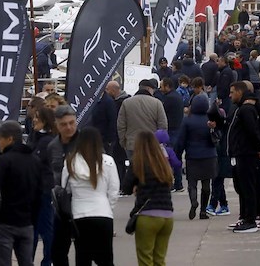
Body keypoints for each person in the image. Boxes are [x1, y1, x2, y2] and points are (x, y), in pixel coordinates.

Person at [62, 127, 120, 266]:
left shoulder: (70, 162)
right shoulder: (108, 161)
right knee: (106, 259)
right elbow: (114, 190)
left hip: (79, 215)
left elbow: (66, 188)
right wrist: (109, 208)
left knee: (82, 258)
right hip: (103, 213)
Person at [0, 121, 42, 266]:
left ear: (9, 139)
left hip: (3, 222)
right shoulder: (34, 161)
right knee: (26, 262)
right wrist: (33, 218)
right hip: (26, 222)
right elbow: (39, 193)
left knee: (3, 262)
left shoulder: (2, 161)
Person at [122, 131, 174, 266]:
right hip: (167, 216)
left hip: (148, 216)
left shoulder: (138, 162)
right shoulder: (163, 163)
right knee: (160, 260)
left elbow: (126, 187)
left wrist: (136, 187)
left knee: (145, 259)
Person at [226, 83, 260, 233]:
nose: (230, 95)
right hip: (239, 153)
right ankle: (245, 216)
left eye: (232, 92)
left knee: (249, 187)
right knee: (241, 187)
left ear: (239, 92)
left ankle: (252, 219)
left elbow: (253, 131)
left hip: (247, 154)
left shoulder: (247, 109)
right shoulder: (239, 108)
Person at [175, 96, 220, 220]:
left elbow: (181, 140)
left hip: (193, 156)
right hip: (209, 156)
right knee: (206, 185)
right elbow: (218, 137)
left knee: (192, 183)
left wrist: (177, 155)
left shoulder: (187, 120)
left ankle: (194, 201)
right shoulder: (210, 119)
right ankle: (203, 211)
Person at [47, 105, 79, 266]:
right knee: (58, 251)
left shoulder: (86, 143)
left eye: (72, 123)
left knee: (85, 252)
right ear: (57, 125)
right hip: (61, 206)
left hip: (83, 204)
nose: (68, 127)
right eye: (64, 124)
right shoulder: (52, 146)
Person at [28, 106, 57, 266]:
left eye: (37, 117)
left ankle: (46, 260)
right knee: (36, 227)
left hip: (44, 189)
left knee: (45, 227)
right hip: (36, 189)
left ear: (44, 120)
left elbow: (38, 162)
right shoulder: (37, 136)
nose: (34, 119)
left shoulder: (47, 141)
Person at [117, 79, 168, 158]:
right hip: (151, 144)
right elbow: (163, 125)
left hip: (132, 144)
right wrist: (160, 143)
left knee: (134, 168)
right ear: (148, 89)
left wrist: (123, 142)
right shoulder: (157, 103)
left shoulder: (126, 102)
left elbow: (121, 125)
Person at [105, 81, 131, 186]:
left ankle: (121, 182)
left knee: (119, 160)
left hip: (120, 135)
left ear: (114, 90)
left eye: (107, 89)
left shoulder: (118, 103)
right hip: (124, 135)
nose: (106, 91)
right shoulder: (126, 100)